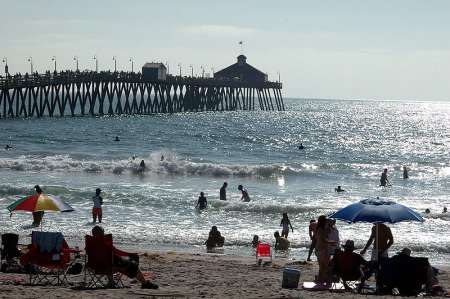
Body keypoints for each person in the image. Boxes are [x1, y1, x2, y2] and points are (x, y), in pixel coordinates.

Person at [91, 226, 158, 289]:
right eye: (103, 232)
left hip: (96, 267)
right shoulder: (105, 242)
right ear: (102, 233)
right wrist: (129, 254)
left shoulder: (90, 242)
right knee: (133, 264)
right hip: (110, 267)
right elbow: (117, 252)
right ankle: (144, 283)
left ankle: (111, 281)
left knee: (109, 261)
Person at [315, 215, 336, 283]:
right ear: (323, 221)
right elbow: (324, 240)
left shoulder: (319, 228)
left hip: (319, 249)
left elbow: (321, 239)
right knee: (325, 266)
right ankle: (324, 279)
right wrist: (332, 242)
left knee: (322, 266)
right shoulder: (321, 229)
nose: (327, 221)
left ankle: (320, 279)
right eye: (326, 220)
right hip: (323, 250)